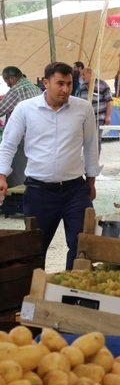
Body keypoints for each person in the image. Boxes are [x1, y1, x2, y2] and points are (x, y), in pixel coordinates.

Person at [0, 62, 98, 269]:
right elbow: (8, 144)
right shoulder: (25, 109)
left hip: (75, 191)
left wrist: (91, 180)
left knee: (82, 245)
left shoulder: (83, 108)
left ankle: (73, 295)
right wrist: (1, 176)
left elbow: (91, 146)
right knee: (35, 249)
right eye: (60, 83)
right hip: (38, 191)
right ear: (46, 83)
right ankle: (35, 295)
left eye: (69, 84)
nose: (65, 89)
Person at [77, 68, 113, 154]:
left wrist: (108, 116)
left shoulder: (103, 85)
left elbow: (109, 101)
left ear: (90, 74)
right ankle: (87, 160)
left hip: (98, 118)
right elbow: (78, 101)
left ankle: (95, 162)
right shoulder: (82, 87)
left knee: (96, 140)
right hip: (85, 119)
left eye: (83, 74)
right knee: (86, 140)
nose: (82, 77)